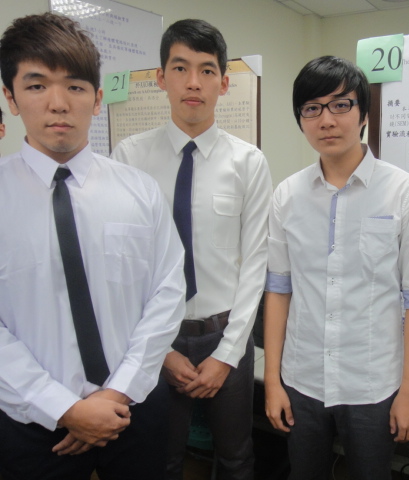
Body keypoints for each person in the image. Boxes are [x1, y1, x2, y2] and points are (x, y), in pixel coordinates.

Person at [0, 12, 186, 480]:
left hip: (135, 406)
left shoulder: (139, 190)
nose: (58, 103)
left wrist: (116, 394)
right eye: (37, 85)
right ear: (10, 98)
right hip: (30, 421)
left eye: (76, 86)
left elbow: (167, 293)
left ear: (98, 98)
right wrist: (64, 408)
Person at [263, 56, 409, 480]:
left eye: (340, 105)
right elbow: (279, 290)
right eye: (312, 108)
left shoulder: (403, 191)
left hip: (372, 383)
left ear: (363, 113)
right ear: (301, 119)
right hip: (302, 378)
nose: (326, 120)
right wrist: (272, 382)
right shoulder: (287, 195)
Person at [112, 18, 272, 480]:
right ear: (161, 78)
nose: (193, 82)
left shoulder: (248, 162)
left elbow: (255, 263)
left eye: (207, 70)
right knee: (159, 458)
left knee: (237, 457)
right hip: (153, 337)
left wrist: (227, 353)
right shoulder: (130, 158)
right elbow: (125, 268)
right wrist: (161, 350)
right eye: (180, 68)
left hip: (226, 333)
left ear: (224, 82)